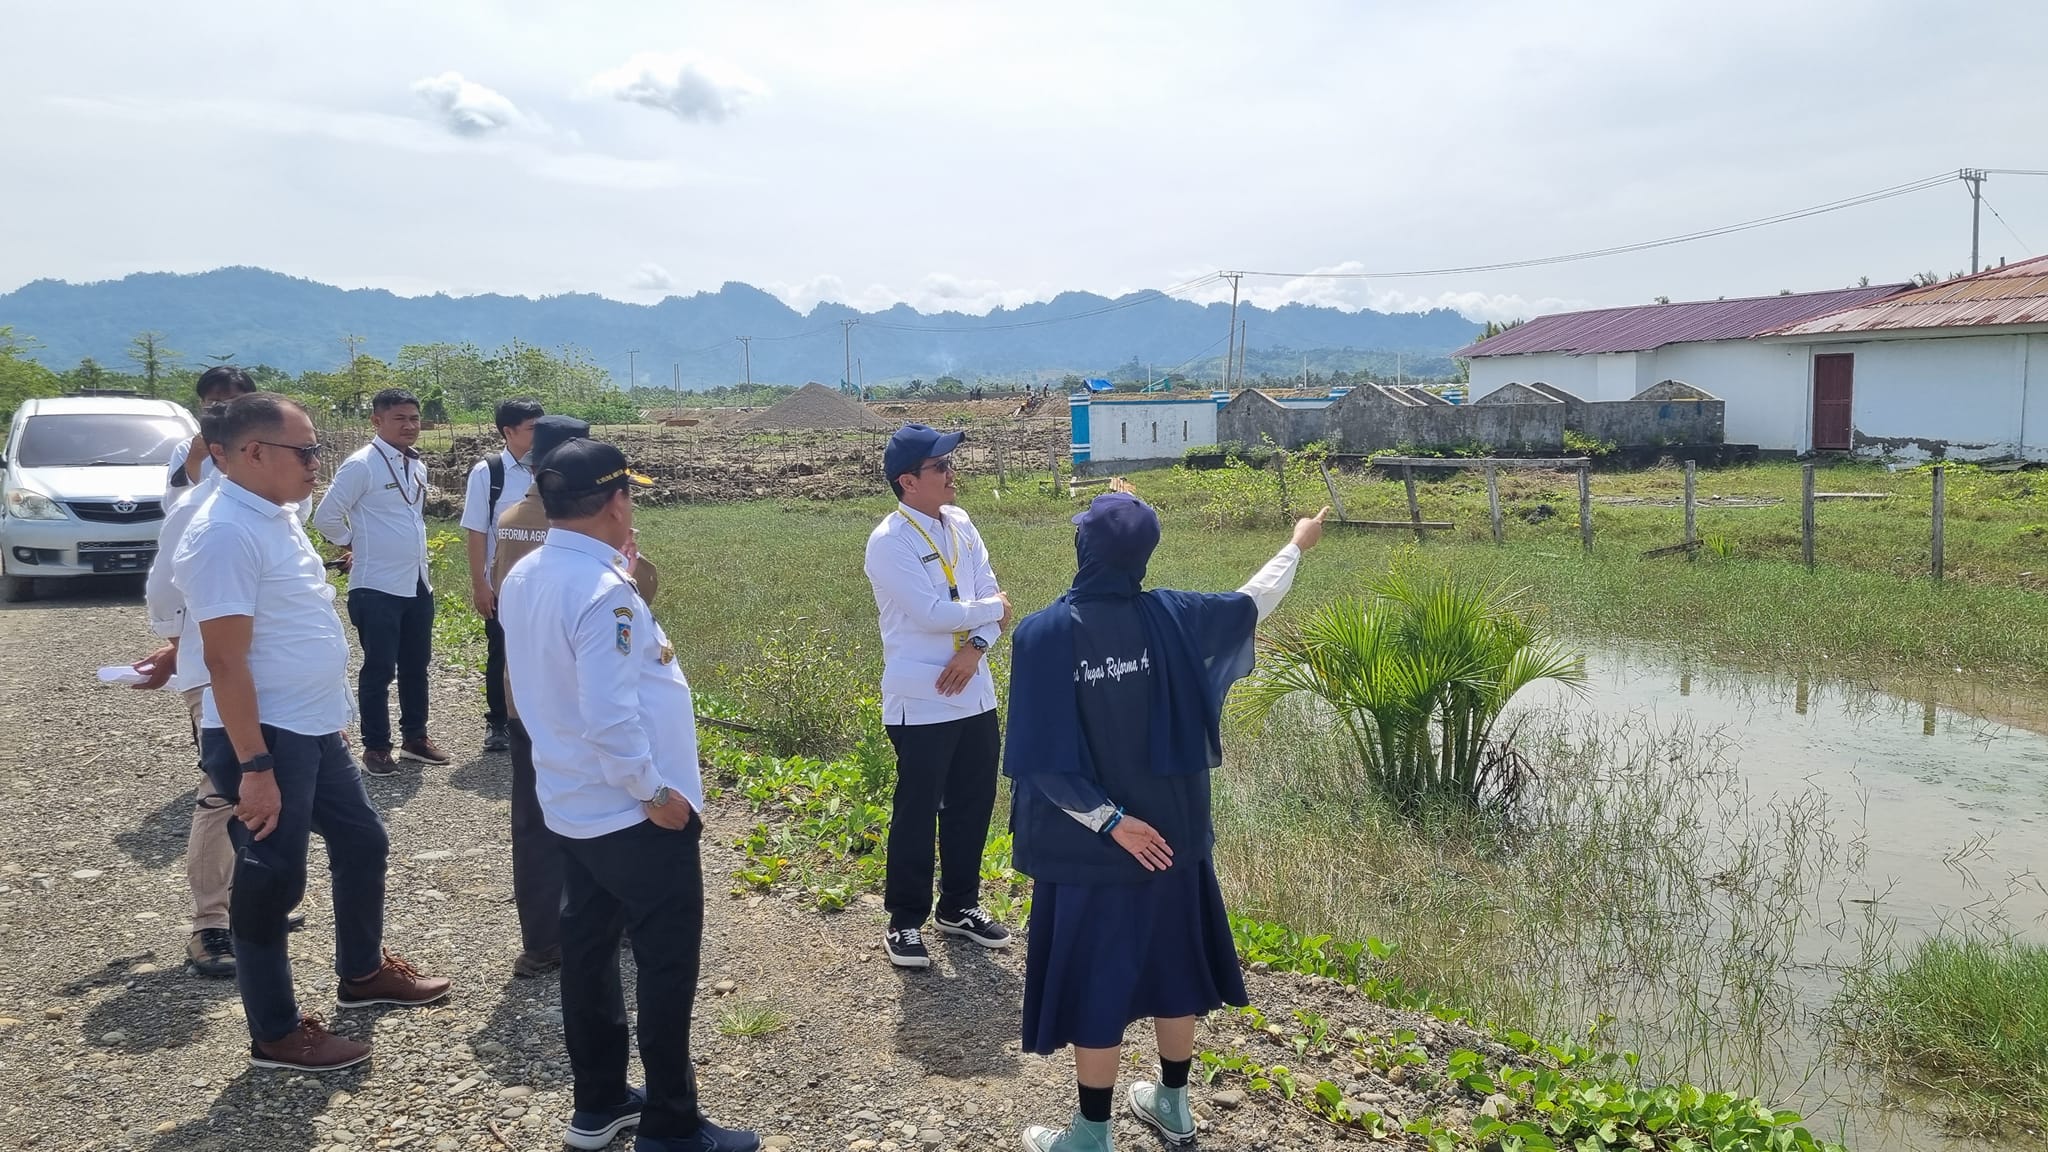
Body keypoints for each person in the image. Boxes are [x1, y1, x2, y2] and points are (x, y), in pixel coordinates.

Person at [1006, 489, 1327, 1152]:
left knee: (1099, 984)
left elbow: (1040, 758)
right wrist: (1297, 545)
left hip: (1090, 855)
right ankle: (1173, 1106)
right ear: (1144, 554)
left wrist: (1111, 821)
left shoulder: (1042, 635)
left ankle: (1092, 1136)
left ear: (1082, 548)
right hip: (1174, 843)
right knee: (1173, 969)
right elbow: (1253, 600)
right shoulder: (1177, 616)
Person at [176, 392, 451, 1073]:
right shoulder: (225, 532)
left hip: (310, 725)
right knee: (271, 882)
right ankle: (275, 1033)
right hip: (267, 737)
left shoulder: (274, 514)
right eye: (305, 450)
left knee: (363, 840)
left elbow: (261, 622)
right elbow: (225, 658)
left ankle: (361, 974)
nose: (316, 462)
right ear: (251, 454)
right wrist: (256, 767)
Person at [499, 438, 754, 1152]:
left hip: (574, 804)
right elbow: (610, 716)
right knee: (667, 967)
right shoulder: (603, 593)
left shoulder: (529, 574)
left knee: (588, 952)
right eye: (629, 494)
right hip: (632, 812)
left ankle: (600, 1101)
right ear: (616, 501)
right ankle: (673, 1123)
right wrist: (655, 793)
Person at [488, 415, 664, 979]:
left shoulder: (514, 519)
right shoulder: (585, 537)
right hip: (583, 699)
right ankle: (622, 923)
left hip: (528, 697)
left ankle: (542, 939)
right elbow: (634, 595)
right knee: (615, 815)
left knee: (536, 819)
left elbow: (498, 590)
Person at [862, 424, 1013, 969]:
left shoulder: (963, 524)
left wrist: (977, 644)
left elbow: (987, 593)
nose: (953, 474)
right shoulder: (889, 542)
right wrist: (991, 610)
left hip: (973, 690)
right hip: (921, 699)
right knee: (918, 810)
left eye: (952, 462)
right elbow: (932, 613)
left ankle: (959, 905)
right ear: (907, 481)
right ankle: (904, 920)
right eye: (940, 467)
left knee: (973, 803)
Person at [314, 387, 449, 774]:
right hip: (376, 584)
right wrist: (353, 544)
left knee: (416, 665)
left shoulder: (416, 465)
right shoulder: (362, 465)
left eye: (414, 419)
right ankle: (376, 746)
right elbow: (326, 517)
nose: (409, 426)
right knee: (378, 668)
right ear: (376, 422)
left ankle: (415, 738)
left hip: (417, 582)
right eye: (399, 419)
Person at [461, 398, 545, 753]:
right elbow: (477, 531)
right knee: (502, 651)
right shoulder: (488, 473)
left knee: (544, 650)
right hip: (504, 582)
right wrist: (481, 584)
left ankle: (539, 718)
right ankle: (499, 722)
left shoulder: (549, 469)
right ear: (508, 432)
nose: (539, 436)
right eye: (531, 429)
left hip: (545, 583)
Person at [164, 366, 255, 510]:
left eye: (233, 400)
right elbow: (174, 504)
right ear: (202, 404)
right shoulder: (187, 449)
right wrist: (193, 461)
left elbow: (296, 502)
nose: (225, 408)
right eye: (214, 402)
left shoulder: (268, 444)